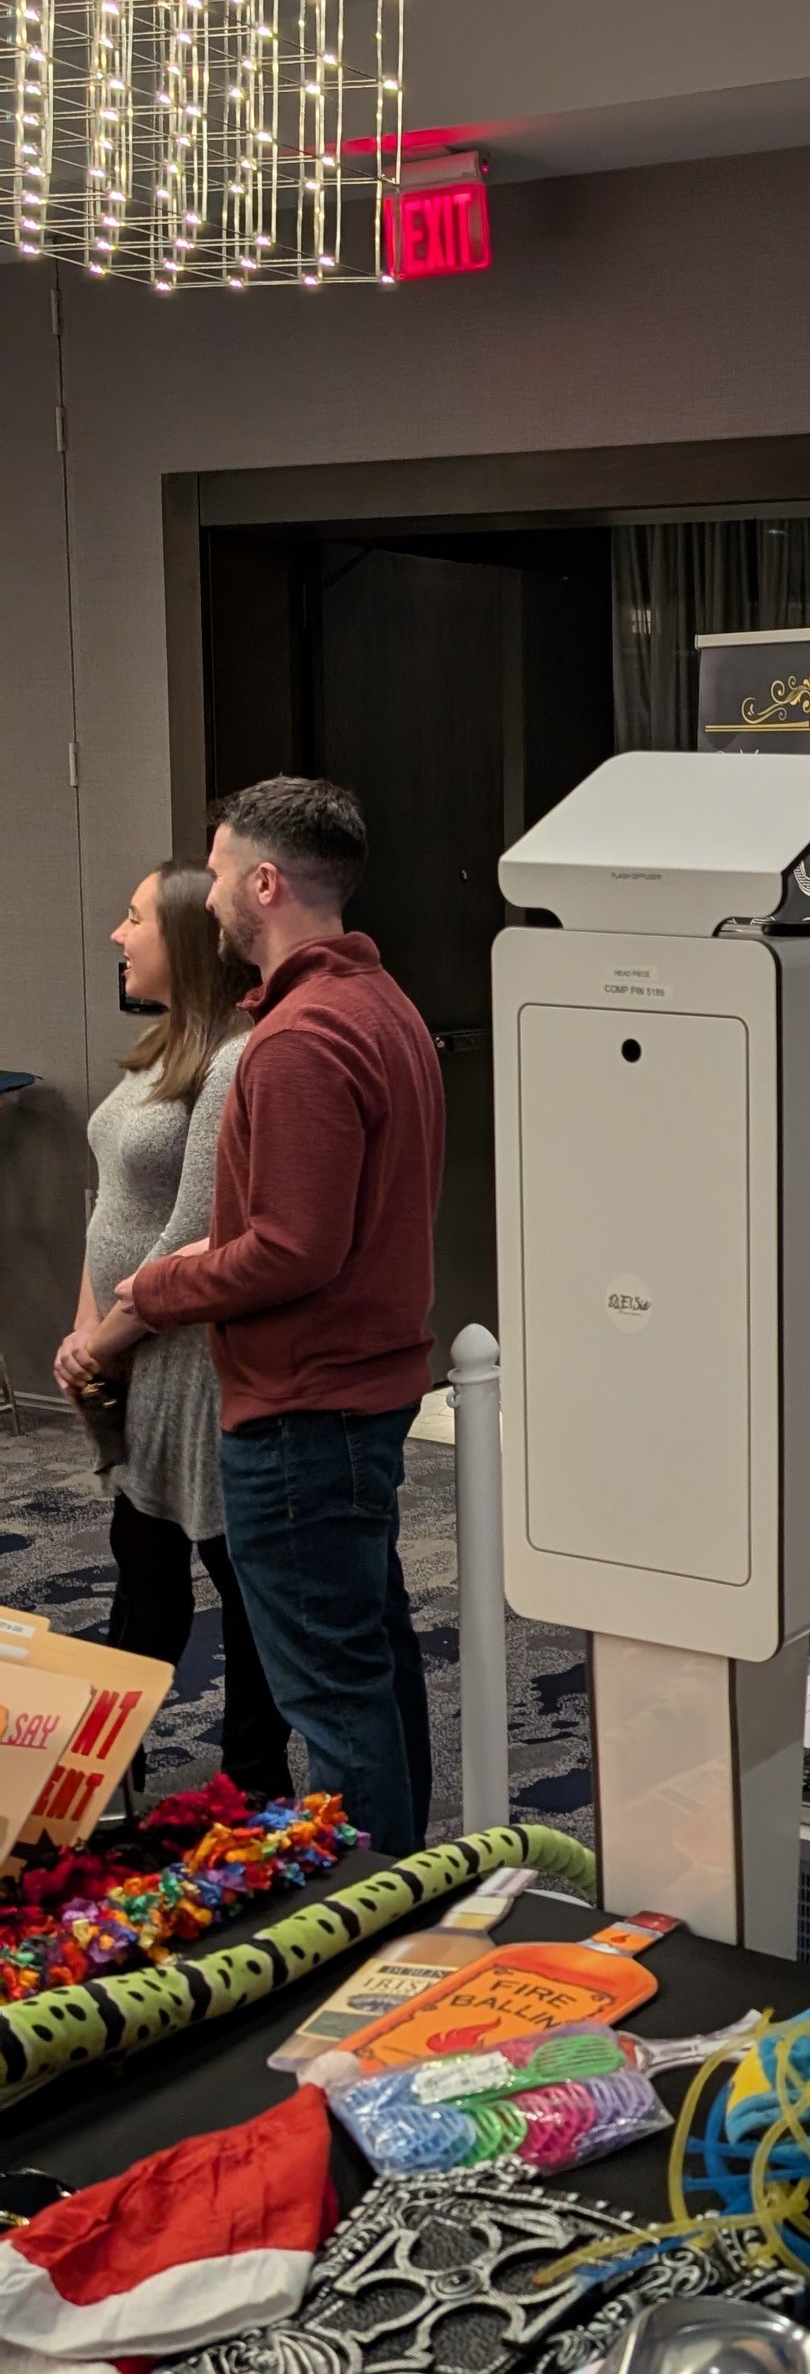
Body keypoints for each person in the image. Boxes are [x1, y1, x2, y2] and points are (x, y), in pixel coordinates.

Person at [112, 777, 446, 1857]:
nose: (203, 897)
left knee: (335, 1699)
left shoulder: (301, 1038)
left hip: (304, 1411)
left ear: (264, 881)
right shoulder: (380, 1004)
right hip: (358, 1394)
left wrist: (156, 1289)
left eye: (213, 872)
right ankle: (408, 1894)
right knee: (374, 1669)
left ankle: (377, 1934)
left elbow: (295, 1250)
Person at [53, 863, 293, 1798]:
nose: (118, 935)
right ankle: (105, 1779)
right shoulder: (161, 1048)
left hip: (191, 1363)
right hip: (127, 1353)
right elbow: (111, 1209)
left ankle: (253, 1784)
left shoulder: (236, 1059)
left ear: (186, 941)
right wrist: (85, 1328)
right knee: (141, 1566)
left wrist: (106, 1337)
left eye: (135, 918)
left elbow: (195, 1229)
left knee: (237, 1583)